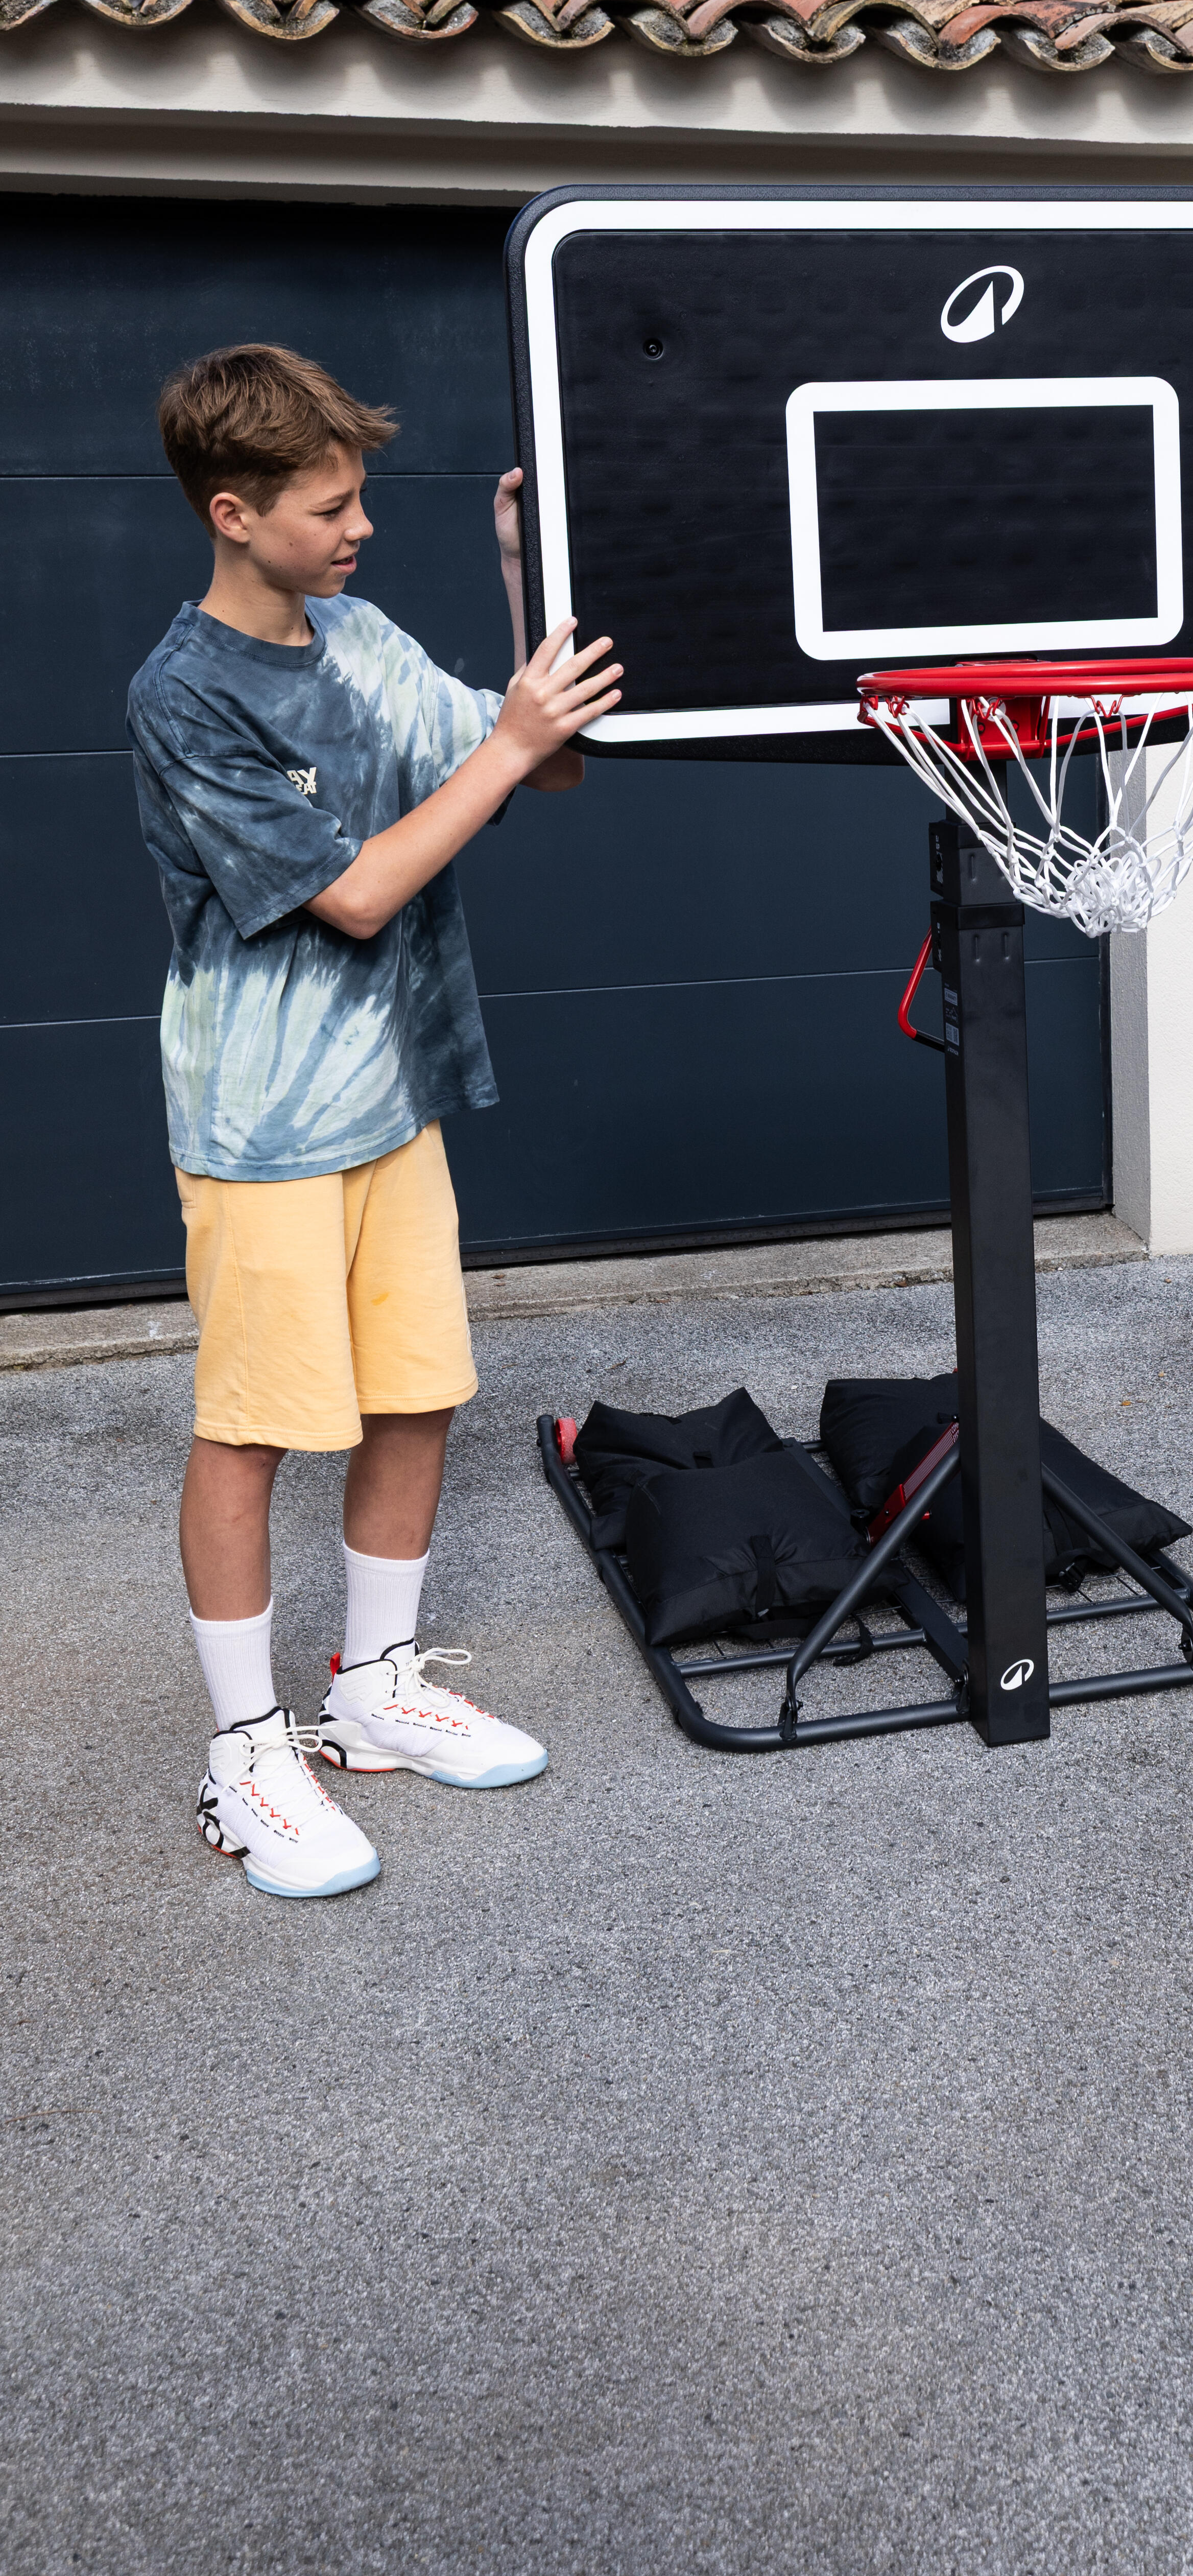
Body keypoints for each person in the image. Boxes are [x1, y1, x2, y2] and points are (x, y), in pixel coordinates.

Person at [128, 344, 621, 1896]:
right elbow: (352, 894)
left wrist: (531, 578)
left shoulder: (362, 633)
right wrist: (511, 743)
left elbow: (541, 769)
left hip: (393, 1099)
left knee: (415, 1397)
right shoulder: (183, 694)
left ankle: (371, 1692)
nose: (359, 528)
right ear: (234, 511)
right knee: (258, 1425)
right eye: (330, 506)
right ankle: (245, 1760)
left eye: (363, 497)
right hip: (263, 1125)